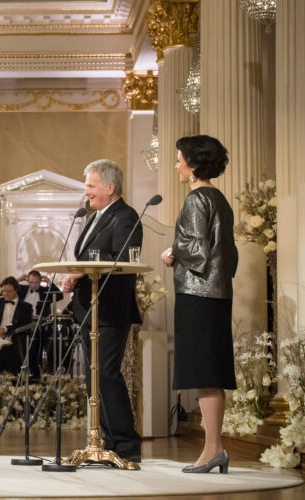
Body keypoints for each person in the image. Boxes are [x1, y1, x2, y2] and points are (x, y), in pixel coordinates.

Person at [162, 135, 237, 474]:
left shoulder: (196, 200)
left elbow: (198, 251)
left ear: (192, 166)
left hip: (197, 294)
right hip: (218, 293)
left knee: (206, 374)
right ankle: (214, 449)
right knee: (213, 373)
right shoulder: (220, 200)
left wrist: (172, 251)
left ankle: (212, 450)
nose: (177, 165)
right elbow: (227, 256)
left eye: (180, 160)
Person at [61, 159, 142, 463]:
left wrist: (81, 272)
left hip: (109, 309)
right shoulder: (93, 217)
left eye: (91, 186)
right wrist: (74, 275)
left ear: (110, 187)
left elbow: (120, 258)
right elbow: (90, 257)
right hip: (88, 309)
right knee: (93, 379)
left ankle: (126, 444)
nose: (86, 192)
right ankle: (106, 440)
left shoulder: (126, 216)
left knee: (106, 374)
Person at [17, 270, 62, 377]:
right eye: (31, 282)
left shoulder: (45, 291)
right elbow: (9, 288)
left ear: (40, 281)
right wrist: (18, 279)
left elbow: (60, 295)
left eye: (36, 282)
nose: (33, 285)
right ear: (27, 280)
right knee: (22, 352)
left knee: (36, 352)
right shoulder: (22, 290)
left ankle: (36, 374)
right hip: (24, 325)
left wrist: (49, 282)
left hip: (41, 326)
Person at [0, 276, 34, 376]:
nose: (5, 294)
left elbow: (24, 324)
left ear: (16, 290)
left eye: (8, 291)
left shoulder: (26, 307)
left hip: (15, 343)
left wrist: (5, 329)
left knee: (15, 374)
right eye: (3, 291)